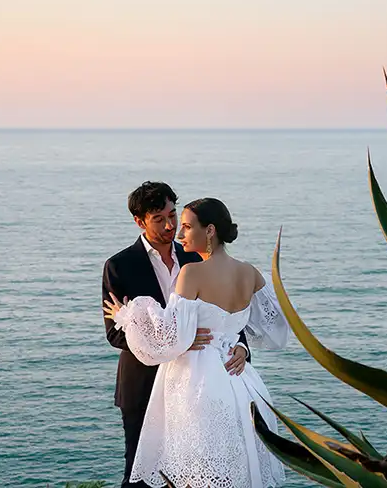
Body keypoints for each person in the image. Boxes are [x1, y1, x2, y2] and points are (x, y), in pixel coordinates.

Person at [103, 197, 289, 488]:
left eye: (186, 225)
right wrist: (235, 344)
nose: (178, 232)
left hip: (194, 384)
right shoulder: (250, 273)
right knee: (228, 467)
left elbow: (170, 335)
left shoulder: (191, 272)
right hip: (238, 384)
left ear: (210, 230)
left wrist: (125, 314)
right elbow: (275, 327)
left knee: (192, 472)